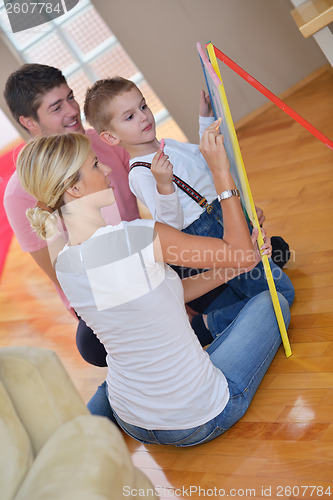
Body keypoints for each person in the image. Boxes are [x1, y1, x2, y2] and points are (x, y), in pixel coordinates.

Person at [15, 123, 290, 446]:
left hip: (132, 419)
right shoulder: (137, 237)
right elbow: (241, 254)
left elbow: (170, 293)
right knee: (272, 303)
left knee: (132, 356)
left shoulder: (64, 262)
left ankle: (77, 436)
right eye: (94, 165)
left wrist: (231, 269)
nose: (106, 169)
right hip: (198, 419)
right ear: (73, 189)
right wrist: (220, 171)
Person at [83, 77, 294, 335]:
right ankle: (209, 324)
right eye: (129, 117)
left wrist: (205, 120)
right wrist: (164, 186)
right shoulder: (140, 173)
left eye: (143, 106)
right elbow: (168, 226)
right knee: (282, 293)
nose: (143, 117)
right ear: (110, 137)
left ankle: (241, 307)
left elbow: (203, 161)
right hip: (206, 232)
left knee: (264, 283)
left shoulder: (166, 144)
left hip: (223, 216)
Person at [3, 64, 139, 368]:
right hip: (104, 293)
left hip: (150, 255)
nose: (73, 110)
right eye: (56, 106)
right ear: (30, 122)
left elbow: (156, 181)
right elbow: (61, 275)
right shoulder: (19, 195)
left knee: (266, 252)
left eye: (70, 97)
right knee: (92, 346)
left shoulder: (103, 140)